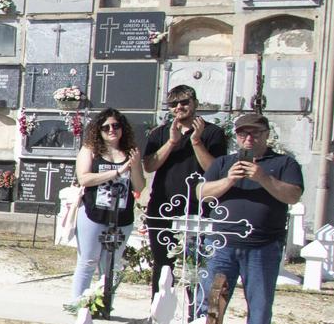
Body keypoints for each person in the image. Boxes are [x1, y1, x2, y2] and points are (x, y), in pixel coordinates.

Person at [197, 112, 304, 324]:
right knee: (211, 301)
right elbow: (202, 193)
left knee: (260, 302)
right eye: (243, 133)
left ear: (266, 135)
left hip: (263, 244)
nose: (249, 138)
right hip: (223, 243)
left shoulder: (283, 163)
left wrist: (263, 178)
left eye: (255, 133)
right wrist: (229, 180)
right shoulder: (223, 163)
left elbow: (293, 195)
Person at [141, 85, 227, 292]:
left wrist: (196, 141)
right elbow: (149, 165)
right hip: (163, 205)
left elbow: (214, 170)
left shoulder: (213, 133)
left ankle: (193, 317)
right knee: (163, 265)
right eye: (173, 104)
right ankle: (158, 314)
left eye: (184, 102)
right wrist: (171, 142)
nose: (179, 107)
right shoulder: (160, 133)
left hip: (198, 208)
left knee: (195, 268)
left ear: (195, 104)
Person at [69, 107, 146, 307]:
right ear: (98, 130)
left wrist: (135, 165)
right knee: (88, 261)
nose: (111, 130)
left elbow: (139, 186)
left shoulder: (130, 152)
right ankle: (78, 305)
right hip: (93, 214)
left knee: (110, 265)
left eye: (116, 125)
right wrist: (117, 173)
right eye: (105, 127)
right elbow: (84, 178)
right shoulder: (90, 150)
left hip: (121, 216)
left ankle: (104, 304)